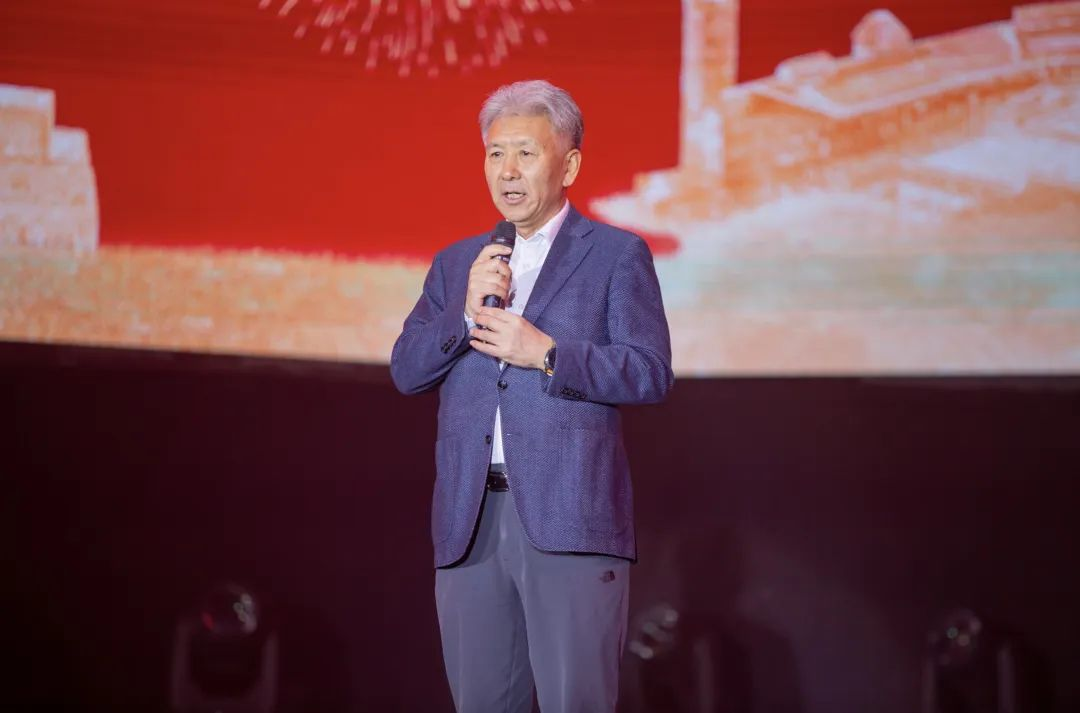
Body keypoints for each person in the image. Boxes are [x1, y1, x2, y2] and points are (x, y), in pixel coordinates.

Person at [390, 79, 673, 713]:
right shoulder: (458, 263)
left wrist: (547, 353)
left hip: (570, 516)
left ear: (568, 166)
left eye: (526, 152)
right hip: (470, 520)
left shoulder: (615, 255)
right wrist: (465, 314)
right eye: (495, 153)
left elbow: (650, 371)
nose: (508, 170)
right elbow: (407, 370)